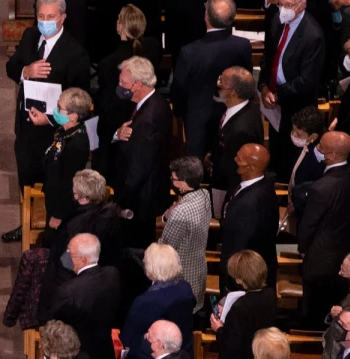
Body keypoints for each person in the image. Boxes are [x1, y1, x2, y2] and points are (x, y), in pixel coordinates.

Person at [2, 0, 90, 242]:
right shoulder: (31, 36)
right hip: (26, 129)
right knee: (25, 179)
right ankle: (26, 223)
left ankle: (51, 231)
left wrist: (51, 120)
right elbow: (11, 67)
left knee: (52, 185)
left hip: (53, 134)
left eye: (50, 16)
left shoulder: (75, 53)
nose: (45, 21)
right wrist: (25, 72)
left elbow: (80, 103)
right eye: (41, 15)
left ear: (62, 18)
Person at [298, 132, 350, 327]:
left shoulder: (321, 187)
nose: (317, 149)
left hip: (320, 259)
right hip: (347, 252)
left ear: (331, 156)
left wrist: (303, 248)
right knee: (338, 303)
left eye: (320, 146)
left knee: (314, 311)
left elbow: (308, 225)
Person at [171, 0, 252, 159]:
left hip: (198, 123)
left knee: (196, 172)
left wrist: (180, 112)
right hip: (233, 119)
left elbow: (178, 90)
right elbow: (246, 82)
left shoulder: (189, 52)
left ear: (206, 17)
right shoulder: (243, 46)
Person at [40, 233, 121, 359]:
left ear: (83, 259)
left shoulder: (68, 292)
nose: (67, 256)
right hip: (102, 356)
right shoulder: (112, 275)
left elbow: (53, 326)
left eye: (71, 253)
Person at [111, 56, 172, 248]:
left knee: (134, 250)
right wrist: (117, 134)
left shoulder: (148, 119)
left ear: (137, 84)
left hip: (139, 199)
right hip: (144, 193)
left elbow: (140, 166)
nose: (119, 85)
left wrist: (120, 199)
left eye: (123, 82)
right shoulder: (157, 102)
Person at [259, 0, 326, 174]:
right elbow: (268, 57)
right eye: (281, 4)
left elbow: (307, 81)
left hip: (297, 107)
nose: (283, 10)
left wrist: (277, 95)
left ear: (302, 4)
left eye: (288, 5)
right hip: (274, 102)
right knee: (276, 152)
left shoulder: (313, 35)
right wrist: (264, 86)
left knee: (291, 160)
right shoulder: (277, 21)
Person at [95, 5, 160, 172]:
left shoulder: (109, 63)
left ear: (120, 26)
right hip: (146, 117)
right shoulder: (153, 51)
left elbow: (105, 103)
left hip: (116, 128)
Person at [121, 243, 195, 359]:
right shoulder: (185, 288)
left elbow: (128, 339)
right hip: (183, 356)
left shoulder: (146, 301)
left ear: (150, 270)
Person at [213, 251, 278, 359]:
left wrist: (219, 329)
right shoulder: (269, 295)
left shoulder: (239, 308)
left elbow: (231, 345)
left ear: (240, 278)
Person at [30, 87, 93, 235]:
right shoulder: (64, 131)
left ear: (73, 116)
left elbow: (69, 182)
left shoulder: (76, 144)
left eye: (60, 108)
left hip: (62, 207)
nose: (56, 111)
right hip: (53, 194)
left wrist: (59, 215)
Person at [218, 144, 278, 291]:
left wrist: (230, 280)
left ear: (250, 167)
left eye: (239, 159)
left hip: (243, 278)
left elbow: (239, 246)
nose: (235, 159)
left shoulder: (249, 204)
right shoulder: (262, 184)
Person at [43, 170, 124, 274]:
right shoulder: (111, 215)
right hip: (106, 276)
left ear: (79, 195)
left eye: (75, 193)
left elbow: (66, 262)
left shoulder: (76, 223)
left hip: (74, 280)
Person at [160, 157, 212, 316]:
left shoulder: (182, 212)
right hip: (198, 271)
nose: (171, 181)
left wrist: (168, 217)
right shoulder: (204, 195)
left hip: (180, 278)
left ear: (183, 183)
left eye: (173, 179)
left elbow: (166, 247)